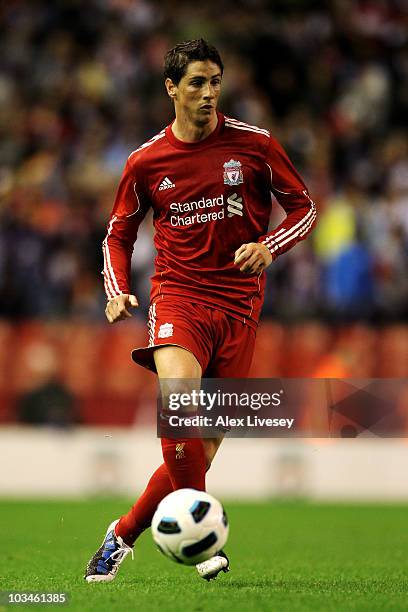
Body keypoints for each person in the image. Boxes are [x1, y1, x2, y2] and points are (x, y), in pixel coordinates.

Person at [85, 39, 316, 583]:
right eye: (196, 82)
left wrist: (270, 246)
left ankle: (120, 535)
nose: (208, 92)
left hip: (239, 307)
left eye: (215, 81)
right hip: (178, 296)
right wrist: (117, 287)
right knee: (179, 403)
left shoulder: (255, 145)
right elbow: (118, 232)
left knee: (199, 453)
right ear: (171, 88)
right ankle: (203, 541)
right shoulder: (146, 161)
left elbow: (305, 208)